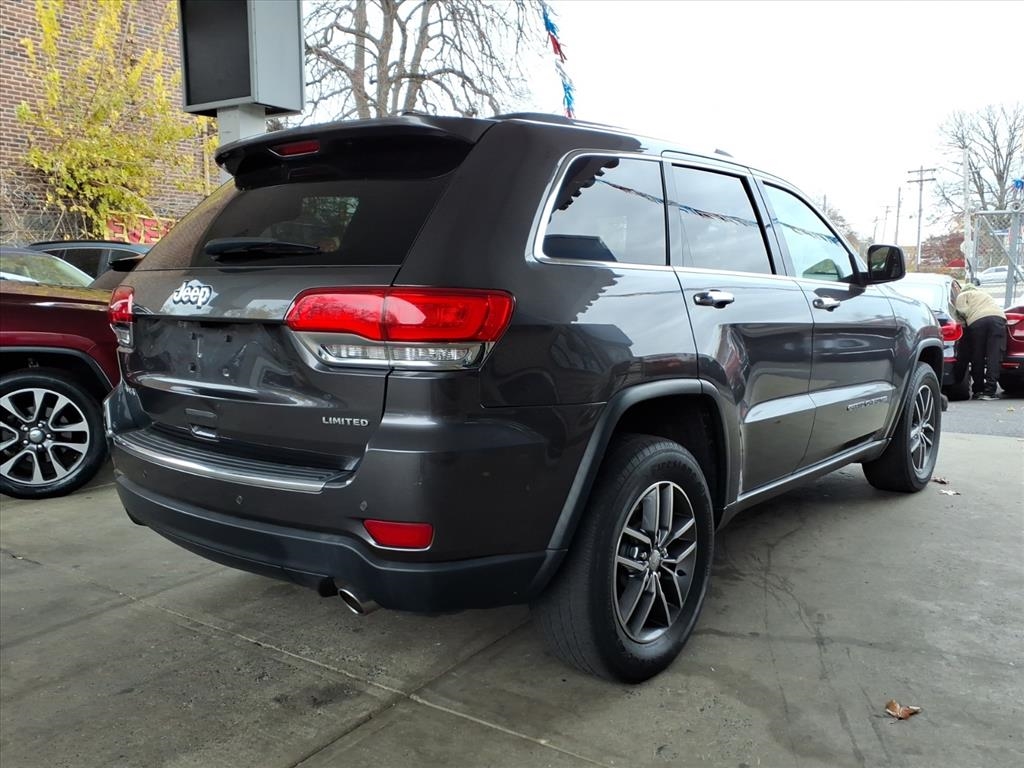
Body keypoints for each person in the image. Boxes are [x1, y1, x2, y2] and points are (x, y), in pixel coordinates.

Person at [955, 284, 1007, 400]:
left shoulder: (962, 295)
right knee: (994, 355)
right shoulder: (984, 295)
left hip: (977, 321)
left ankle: (978, 390)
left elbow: (961, 315)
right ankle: (990, 391)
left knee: (977, 355)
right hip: (998, 319)